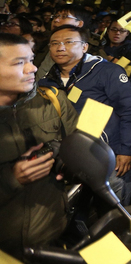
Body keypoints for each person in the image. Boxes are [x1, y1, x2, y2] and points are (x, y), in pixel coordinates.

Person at [39, 25, 131, 205]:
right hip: (70, 159)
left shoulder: (107, 71)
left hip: (108, 156)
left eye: (68, 42)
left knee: (113, 213)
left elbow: (130, 110)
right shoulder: (47, 81)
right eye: (54, 43)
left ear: (84, 46)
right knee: (76, 213)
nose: (60, 47)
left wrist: (126, 150)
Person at [0, 34, 78, 257]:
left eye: (31, 60)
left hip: (53, 235)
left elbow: (75, 150)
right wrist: (13, 178)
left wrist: (69, 163)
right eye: (19, 63)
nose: (32, 68)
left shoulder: (53, 100)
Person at [101, 21, 131, 91]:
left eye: (122, 30)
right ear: (108, 31)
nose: (117, 33)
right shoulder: (101, 46)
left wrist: (112, 60)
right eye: (114, 29)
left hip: (122, 88)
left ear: (127, 33)